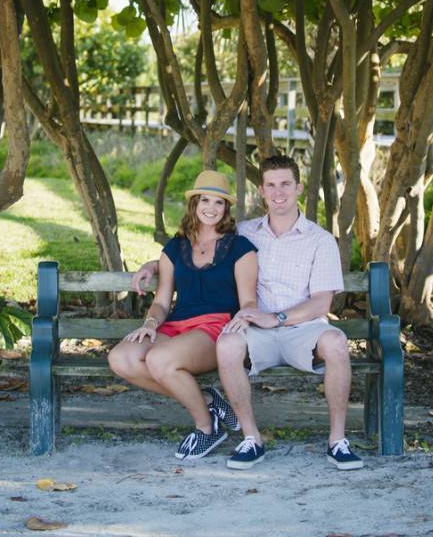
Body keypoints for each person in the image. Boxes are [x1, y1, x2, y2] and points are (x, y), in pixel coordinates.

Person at [134, 155, 364, 472]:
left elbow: (322, 303)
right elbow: (197, 244)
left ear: (299, 188)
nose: (278, 192)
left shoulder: (320, 240)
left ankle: (338, 441)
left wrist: (279, 318)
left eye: (285, 184)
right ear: (262, 191)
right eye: (271, 185)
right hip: (253, 329)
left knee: (337, 344)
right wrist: (153, 265)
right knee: (227, 344)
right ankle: (251, 438)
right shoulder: (243, 233)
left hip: (303, 328)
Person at [108, 170, 257, 461]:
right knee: (121, 358)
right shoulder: (176, 247)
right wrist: (150, 324)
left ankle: (206, 427)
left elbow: (248, 298)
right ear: (194, 204)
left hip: (217, 328)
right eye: (205, 200)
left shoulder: (240, 248)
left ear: (226, 208)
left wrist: (248, 315)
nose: (211, 208)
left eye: (219, 202)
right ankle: (207, 401)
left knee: (159, 359)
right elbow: (163, 300)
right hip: (177, 325)